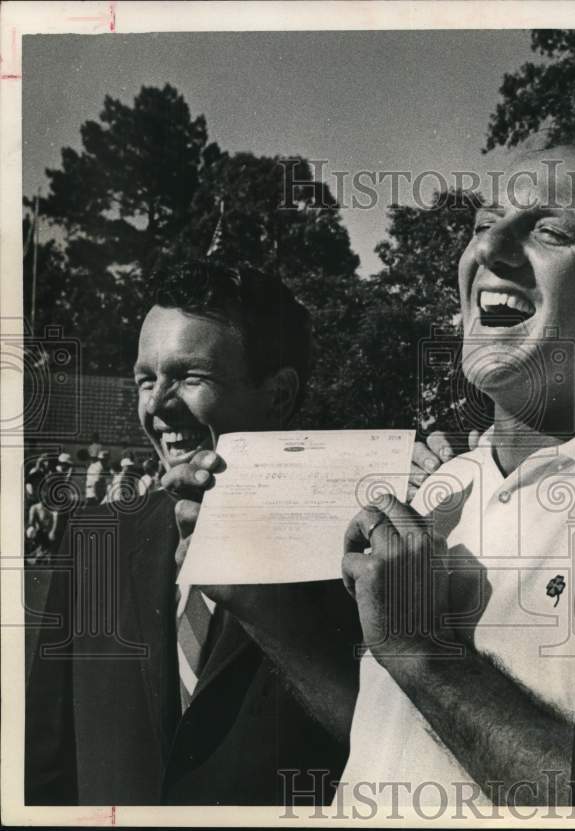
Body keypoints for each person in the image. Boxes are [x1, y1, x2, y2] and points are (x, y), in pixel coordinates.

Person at [170, 147, 575, 810]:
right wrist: (261, 606)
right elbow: (390, 739)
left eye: (549, 231)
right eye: (486, 222)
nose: (493, 248)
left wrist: (424, 651)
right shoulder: (443, 486)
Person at [26, 259, 359, 805]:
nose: (157, 405)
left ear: (278, 395)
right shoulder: (94, 543)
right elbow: (46, 766)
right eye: (146, 379)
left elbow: (387, 750)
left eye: (190, 376)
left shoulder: (353, 553)